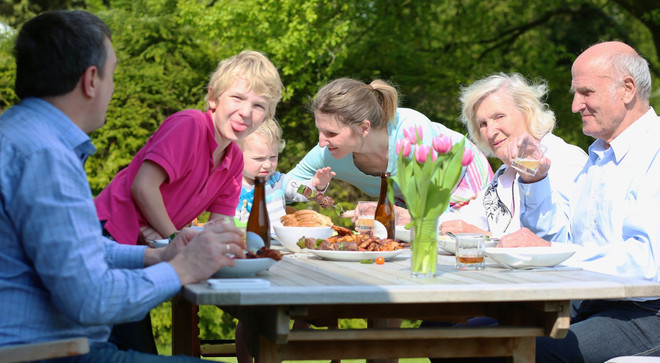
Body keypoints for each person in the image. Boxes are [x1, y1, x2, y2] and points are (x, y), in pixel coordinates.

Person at [0, 10, 247, 363]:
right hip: (45, 354)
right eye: (112, 75)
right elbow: (90, 300)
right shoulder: (43, 156)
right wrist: (181, 269)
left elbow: (81, 252)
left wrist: (159, 255)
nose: (113, 88)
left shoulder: (24, 136)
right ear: (90, 80)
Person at [500, 42, 660, 362]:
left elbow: (649, 265)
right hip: (584, 300)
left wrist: (556, 255)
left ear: (627, 89)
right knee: (456, 330)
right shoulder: (599, 156)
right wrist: (534, 180)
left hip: (645, 312)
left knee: (516, 352)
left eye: (585, 92)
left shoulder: (654, 152)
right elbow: (558, 243)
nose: (575, 105)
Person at [95, 49, 283, 245]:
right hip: (106, 230)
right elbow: (143, 186)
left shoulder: (234, 160)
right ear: (213, 98)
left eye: (259, 106)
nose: (246, 112)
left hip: (150, 244)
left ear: (267, 117)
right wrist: (174, 238)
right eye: (237, 98)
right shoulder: (191, 125)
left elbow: (219, 224)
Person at [287, 77, 494, 225]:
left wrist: (381, 212)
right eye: (320, 131)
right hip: (412, 202)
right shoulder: (326, 153)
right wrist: (310, 189)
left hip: (462, 179)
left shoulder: (411, 132)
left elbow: (424, 213)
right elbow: (282, 188)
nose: (322, 142)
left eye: (331, 133)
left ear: (364, 128)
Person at [438, 73, 587, 238]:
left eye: (499, 117)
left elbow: (563, 242)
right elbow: (464, 222)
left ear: (527, 111)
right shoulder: (505, 172)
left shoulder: (567, 160)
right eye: (483, 124)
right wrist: (415, 218)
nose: (490, 132)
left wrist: (484, 236)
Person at [234, 117, 335, 229]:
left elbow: (301, 191)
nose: (268, 164)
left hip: (277, 243)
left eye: (273, 157)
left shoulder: (278, 181)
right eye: (259, 159)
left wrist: (318, 185)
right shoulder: (229, 186)